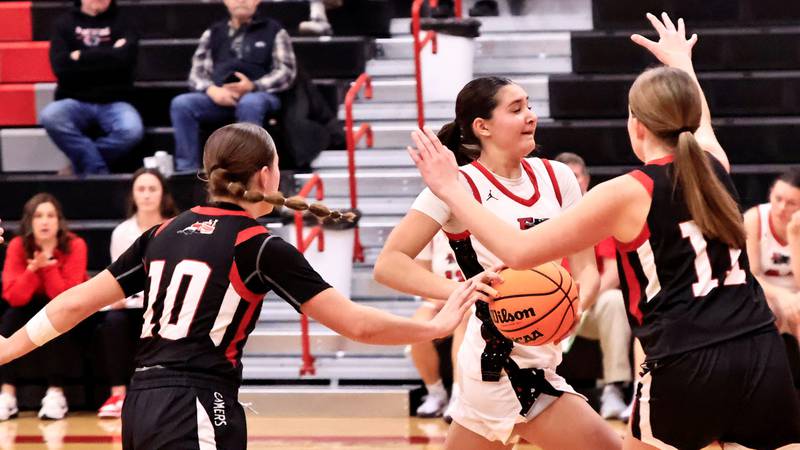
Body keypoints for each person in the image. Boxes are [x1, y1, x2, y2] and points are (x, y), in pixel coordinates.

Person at [408, 13, 800, 450]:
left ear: (636, 126)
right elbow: (700, 122)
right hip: (761, 351)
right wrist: (681, 65)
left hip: (684, 359)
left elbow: (518, 252)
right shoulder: (715, 164)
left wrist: (450, 188)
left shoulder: (627, 191)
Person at [0, 123, 493, 450]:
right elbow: (358, 325)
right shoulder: (258, 244)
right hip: (197, 398)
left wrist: (8, 348)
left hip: (141, 400)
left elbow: (72, 305)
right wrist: (435, 326)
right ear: (266, 174)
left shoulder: (161, 233)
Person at [375, 76, 620, 449]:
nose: (530, 117)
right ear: (482, 126)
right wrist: (463, 291)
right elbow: (389, 264)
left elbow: (586, 267)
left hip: (539, 353)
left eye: (530, 106)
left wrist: (572, 311)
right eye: (516, 109)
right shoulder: (454, 185)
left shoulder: (558, 177)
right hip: (502, 363)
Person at [170, 0, 296, 172]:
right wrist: (212, 90)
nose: (242, 1)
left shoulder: (274, 30)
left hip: (260, 96)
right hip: (220, 97)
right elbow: (196, 74)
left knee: (250, 103)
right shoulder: (213, 33)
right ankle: (187, 171)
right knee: (182, 104)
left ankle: (247, 171)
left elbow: (286, 72)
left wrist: (253, 86)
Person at [95, 168, 179, 419]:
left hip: (167, 305)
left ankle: (167, 394)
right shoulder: (122, 232)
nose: (146, 195)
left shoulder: (176, 227)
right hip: (133, 306)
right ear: (133, 194)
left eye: (152, 189)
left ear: (163, 193)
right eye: (141, 189)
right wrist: (117, 298)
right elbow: (118, 279)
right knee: (113, 321)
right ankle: (118, 394)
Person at [555, 152, 632, 420]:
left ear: (585, 180)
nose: (571, 182)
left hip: (590, 304)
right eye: (564, 177)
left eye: (575, 176)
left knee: (613, 300)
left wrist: (582, 299)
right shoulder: (541, 218)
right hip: (551, 303)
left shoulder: (599, 218)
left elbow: (613, 272)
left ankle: (613, 389)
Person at [0, 194, 88, 421]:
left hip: (65, 310)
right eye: (38, 216)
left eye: (50, 215)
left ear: (59, 221)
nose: (45, 221)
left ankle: (55, 394)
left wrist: (47, 267)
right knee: (10, 317)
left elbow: (68, 298)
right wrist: (32, 270)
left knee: (56, 317)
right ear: (29, 221)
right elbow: (14, 297)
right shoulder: (18, 245)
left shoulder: (76, 245)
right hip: (26, 307)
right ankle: (7, 395)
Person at [39, 0, 143, 175]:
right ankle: (95, 167)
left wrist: (80, 56)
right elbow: (60, 67)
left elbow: (125, 61)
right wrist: (110, 53)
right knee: (50, 116)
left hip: (115, 100)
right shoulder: (63, 23)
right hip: (73, 99)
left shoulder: (125, 22)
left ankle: (80, 163)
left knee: (132, 130)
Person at [410, 231, 468, 421]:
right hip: (442, 300)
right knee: (417, 327)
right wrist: (436, 297)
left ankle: (460, 396)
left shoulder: (483, 220)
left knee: (464, 320)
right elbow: (420, 276)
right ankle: (436, 393)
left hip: (477, 299)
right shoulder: (430, 227)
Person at [744, 168, 800, 337]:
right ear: (770, 194)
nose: (782, 207)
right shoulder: (754, 218)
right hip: (766, 290)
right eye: (778, 199)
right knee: (767, 314)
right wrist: (783, 296)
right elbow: (751, 276)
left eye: (791, 203)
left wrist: (794, 236)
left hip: (797, 292)